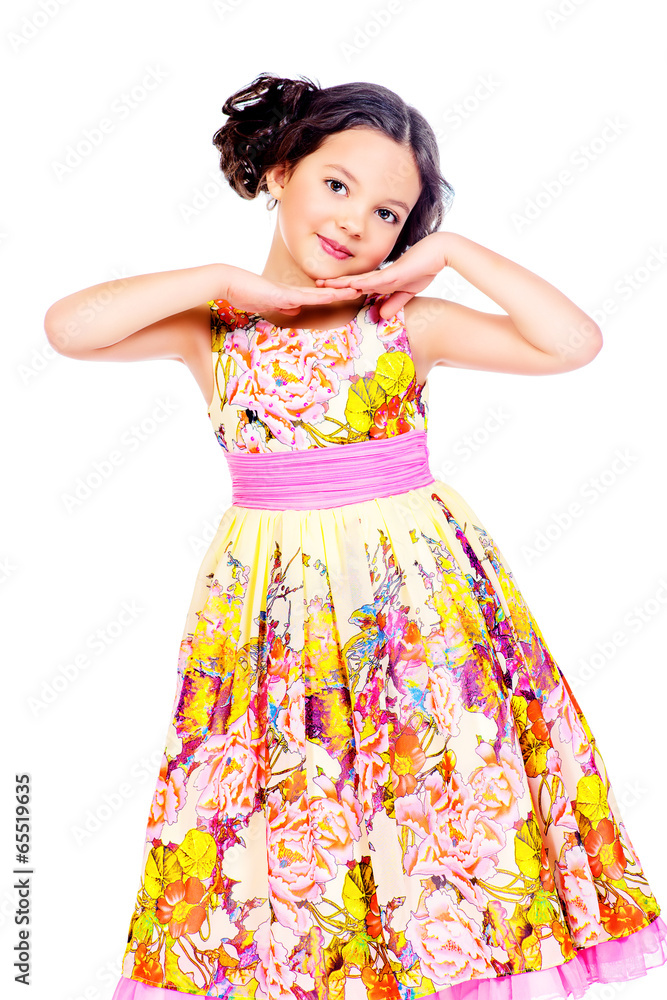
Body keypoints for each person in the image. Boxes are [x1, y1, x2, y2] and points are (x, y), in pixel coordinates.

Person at [44, 72, 667, 1000]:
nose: (352, 221)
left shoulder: (403, 321)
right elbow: (68, 328)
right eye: (335, 184)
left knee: (439, 793)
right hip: (273, 608)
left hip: (416, 604)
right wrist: (219, 280)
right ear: (280, 171)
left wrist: (449, 251)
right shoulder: (213, 327)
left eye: (387, 213)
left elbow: (570, 343)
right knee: (288, 798)